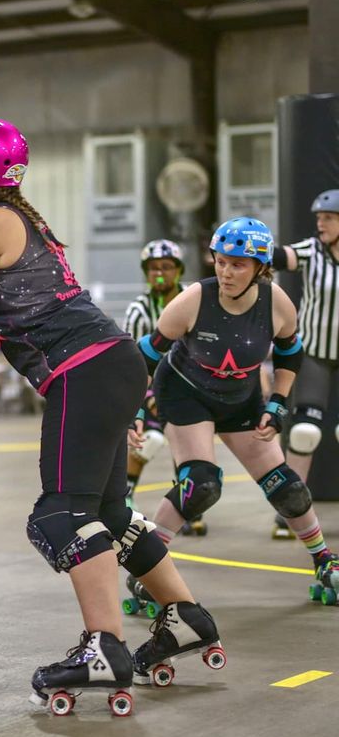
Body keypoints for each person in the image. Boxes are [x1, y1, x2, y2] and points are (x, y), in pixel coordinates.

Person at [0, 118, 220, 713]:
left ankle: (105, 648)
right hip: (109, 364)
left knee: (61, 517)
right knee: (107, 512)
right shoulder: (15, 221)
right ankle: (186, 617)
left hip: (84, 370)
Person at [134, 217, 339, 606]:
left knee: (289, 489)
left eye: (238, 264)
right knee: (201, 485)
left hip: (240, 398)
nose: (226, 272)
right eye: (220, 261)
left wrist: (277, 404)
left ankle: (325, 562)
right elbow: (144, 356)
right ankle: (147, 569)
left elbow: (290, 353)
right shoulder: (194, 299)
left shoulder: (276, 303)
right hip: (185, 393)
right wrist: (135, 409)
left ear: (261, 267)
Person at [275, 190, 339, 540]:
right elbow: (278, 256)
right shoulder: (312, 251)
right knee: (304, 432)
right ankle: (289, 512)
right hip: (315, 353)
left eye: (327, 217)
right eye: (318, 217)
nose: (320, 223)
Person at [122, 240, 187, 512]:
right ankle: (123, 494)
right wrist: (148, 395)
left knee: (187, 446)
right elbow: (132, 361)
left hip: (189, 385)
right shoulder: (139, 311)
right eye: (153, 269)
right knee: (150, 441)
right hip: (148, 385)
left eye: (166, 267)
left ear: (178, 270)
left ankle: (187, 503)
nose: (159, 274)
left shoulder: (192, 301)